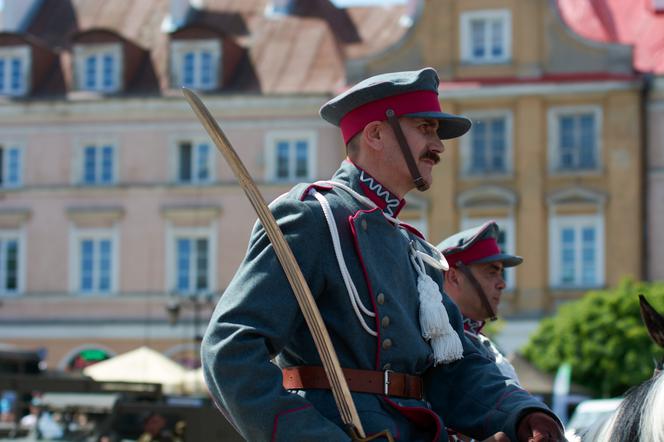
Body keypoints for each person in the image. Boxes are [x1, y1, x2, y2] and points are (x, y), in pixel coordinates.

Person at [201, 67, 564, 441]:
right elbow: (230, 351)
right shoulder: (313, 216)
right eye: (425, 128)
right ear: (376, 134)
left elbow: (454, 366)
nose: (438, 146)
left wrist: (521, 413)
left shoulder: (415, 250)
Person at [437, 221, 523, 385]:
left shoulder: (480, 342)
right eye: (491, 272)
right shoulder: (439, 344)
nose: (502, 284)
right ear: (454, 277)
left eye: (500, 273)